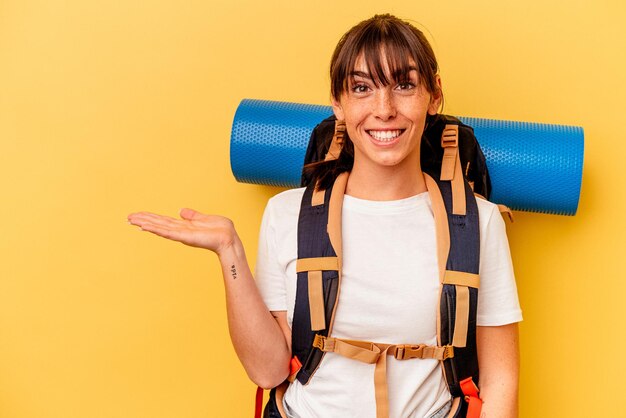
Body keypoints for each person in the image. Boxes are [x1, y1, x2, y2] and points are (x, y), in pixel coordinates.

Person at [128, 14, 522, 418]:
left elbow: (500, 382)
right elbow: (267, 370)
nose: (384, 110)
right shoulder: (287, 214)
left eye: (404, 85)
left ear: (434, 95)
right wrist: (229, 252)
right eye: (362, 88)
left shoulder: (478, 222)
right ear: (338, 102)